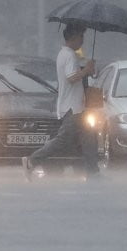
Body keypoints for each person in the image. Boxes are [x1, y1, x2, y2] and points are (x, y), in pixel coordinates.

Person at [22, 25, 100, 180]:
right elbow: (71, 77)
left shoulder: (66, 54)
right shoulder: (69, 55)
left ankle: (93, 172)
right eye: (81, 37)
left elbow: (76, 76)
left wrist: (88, 69)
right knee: (62, 139)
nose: (82, 41)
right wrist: (86, 70)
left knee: (89, 137)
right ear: (74, 37)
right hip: (72, 107)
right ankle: (32, 161)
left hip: (77, 106)